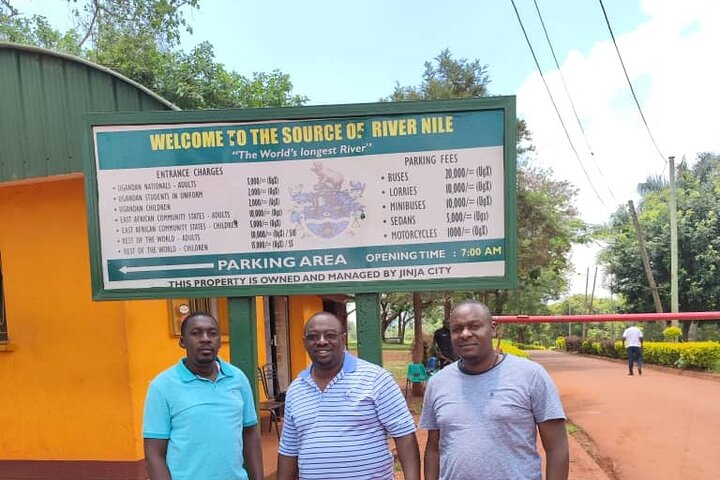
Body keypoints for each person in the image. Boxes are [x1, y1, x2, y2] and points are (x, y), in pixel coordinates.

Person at [420, 300, 569, 480]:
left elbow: (557, 448)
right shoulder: (438, 383)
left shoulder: (530, 375)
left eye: (474, 326)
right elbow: (434, 448)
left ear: (492, 329)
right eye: (457, 329)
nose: (465, 334)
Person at [277, 311, 420, 480]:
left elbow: (404, 437)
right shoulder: (296, 389)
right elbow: (288, 450)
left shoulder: (376, 379)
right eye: (313, 336)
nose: (321, 341)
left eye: (330, 335)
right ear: (304, 342)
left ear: (343, 340)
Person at [142, 312, 264, 480]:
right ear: (182, 342)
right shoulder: (162, 386)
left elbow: (250, 434)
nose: (205, 339)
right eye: (196, 333)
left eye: (212, 333)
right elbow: (154, 453)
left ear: (220, 341)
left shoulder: (237, 379)